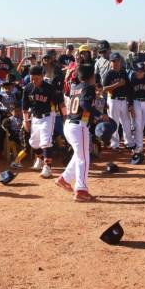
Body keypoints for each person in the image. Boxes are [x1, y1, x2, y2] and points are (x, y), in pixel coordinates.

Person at [55, 64, 103, 202]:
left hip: (69, 125)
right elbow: (85, 105)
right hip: (78, 126)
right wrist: (99, 115)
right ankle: (81, 190)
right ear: (91, 77)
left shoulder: (75, 87)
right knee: (84, 158)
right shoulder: (89, 87)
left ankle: (64, 178)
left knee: (79, 154)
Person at [22, 65, 67, 179]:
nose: (33, 81)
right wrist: (25, 120)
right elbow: (25, 107)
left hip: (48, 117)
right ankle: (41, 159)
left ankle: (47, 168)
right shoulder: (28, 88)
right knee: (33, 143)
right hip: (35, 118)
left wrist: (65, 116)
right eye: (31, 78)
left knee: (45, 142)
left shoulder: (49, 88)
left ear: (42, 76)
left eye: (36, 78)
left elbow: (61, 103)